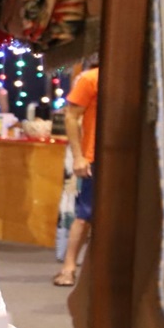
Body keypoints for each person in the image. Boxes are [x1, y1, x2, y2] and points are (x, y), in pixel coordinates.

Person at [54, 65, 99, 287]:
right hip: (95, 156)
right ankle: (69, 266)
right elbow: (71, 116)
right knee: (85, 214)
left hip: (130, 156)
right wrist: (79, 156)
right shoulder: (91, 78)